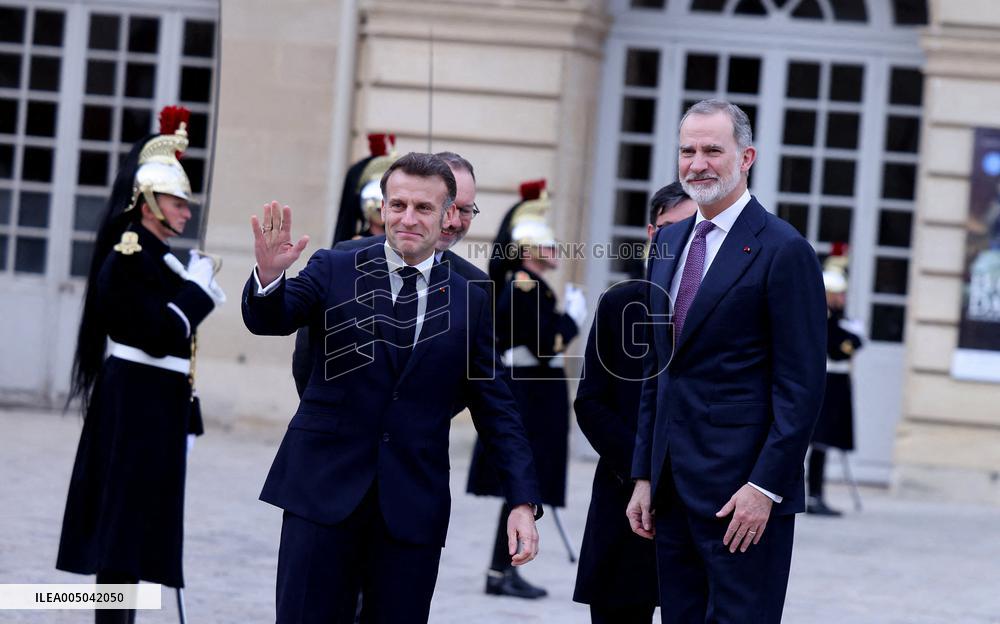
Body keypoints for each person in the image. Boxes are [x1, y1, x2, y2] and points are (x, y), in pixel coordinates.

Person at [242, 152, 543, 624]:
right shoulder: (335, 265)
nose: (407, 217)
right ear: (382, 209)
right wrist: (269, 278)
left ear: (447, 215)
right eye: (397, 204)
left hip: (411, 506)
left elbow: (496, 407)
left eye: (423, 208)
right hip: (321, 491)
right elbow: (272, 318)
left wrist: (522, 500)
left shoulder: (472, 295)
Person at [626, 99, 827, 623]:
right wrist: (645, 475)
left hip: (742, 499)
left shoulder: (784, 250)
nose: (698, 163)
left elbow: (801, 387)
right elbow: (658, 369)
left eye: (713, 150)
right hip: (671, 491)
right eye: (688, 150)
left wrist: (765, 488)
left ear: (747, 157)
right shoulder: (667, 243)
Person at [57, 106, 225, 624]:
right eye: (176, 201)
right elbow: (156, 336)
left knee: (137, 535)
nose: (184, 211)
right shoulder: (130, 258)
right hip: (134, 406)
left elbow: (177, 353)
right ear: (149, 202)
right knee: (122, 538)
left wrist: (187, 410)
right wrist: (197, 295)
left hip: (156, 407)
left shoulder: (159, 259)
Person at [573, 182, 696, 624]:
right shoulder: (621, 303)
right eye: (666, 230)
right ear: (650, 233)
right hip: (625, 493)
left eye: (689, 230)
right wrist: (645, 467)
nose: (676, 241)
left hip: (695, 497)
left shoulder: (722, 305)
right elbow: (590, 402)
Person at [466, 179, 587, 599]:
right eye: (548, 246)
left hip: (535, 388)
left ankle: (503, 572)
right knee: (520, 487)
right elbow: (544, 342)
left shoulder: (529, 284)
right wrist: (571, 319)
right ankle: (502, 573)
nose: (555, 252)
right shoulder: (525, 285)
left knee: (521, 488)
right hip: (529, 392)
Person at [292, 151, 487, 396]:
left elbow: (475, 380)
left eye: (465, 210)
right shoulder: (346, 257)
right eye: (448, 207)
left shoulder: (476, 285)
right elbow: (308, 355)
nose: (454, 221)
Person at [807, 244, 864, 516]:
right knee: (817, 442)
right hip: (824, 382)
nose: (841, 298)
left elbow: (855, 342)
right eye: (836, 294)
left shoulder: (838, 320)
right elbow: (837, 346)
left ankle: (817, 494)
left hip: (838, 384)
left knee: (824, 442)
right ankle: (813, 495)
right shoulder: (822, 319)